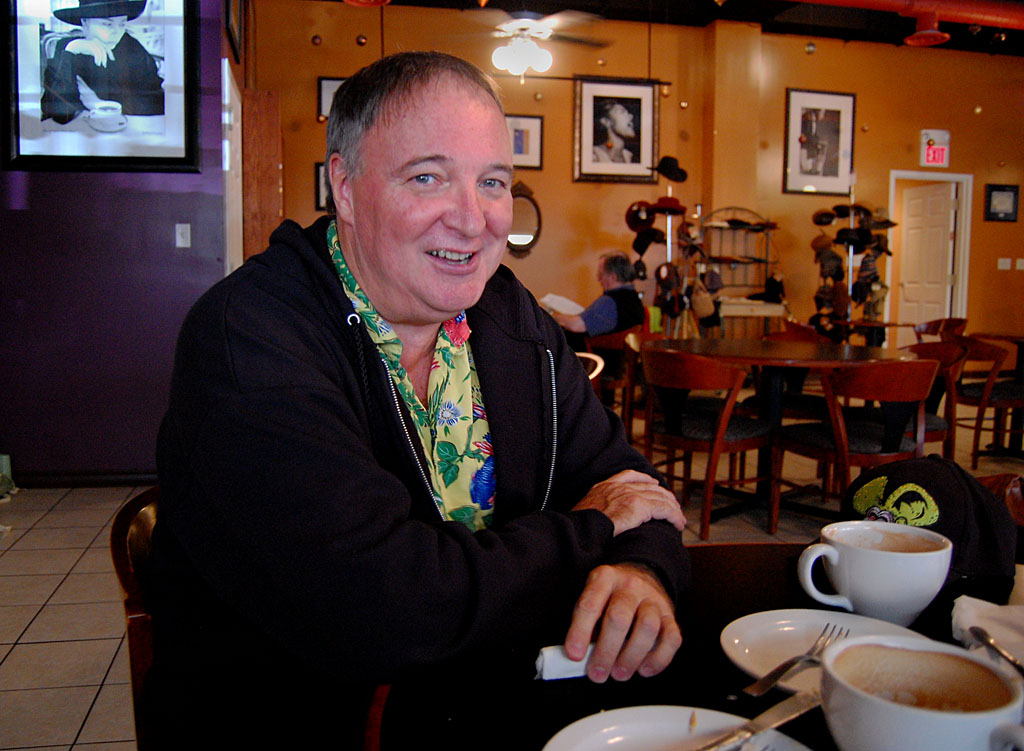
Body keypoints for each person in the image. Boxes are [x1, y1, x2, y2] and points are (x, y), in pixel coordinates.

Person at [147, 52, 688, 750]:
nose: (472, 219)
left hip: (494, 707)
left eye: (492, 182)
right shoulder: (249, 336)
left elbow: (629, 483)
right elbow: (383, 608)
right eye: (427, 177)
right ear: (345, 188)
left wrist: (640, 567)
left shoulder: (507, 313)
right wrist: (594, 531)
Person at [41, 0, 164, 125]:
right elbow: (58, 115)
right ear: (85, 22)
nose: (116, 32)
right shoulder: (67, 49)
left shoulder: (132, 48)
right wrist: (71, 52)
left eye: (122, 24)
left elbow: (158, 102)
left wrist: (98, 105)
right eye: (107, 24)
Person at [551, 252, 645, 348]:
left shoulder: (609, 302)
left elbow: (576, 326)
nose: (598, 280)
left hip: (597, 355)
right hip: (623, 356)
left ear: (613, 277)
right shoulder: (634, 298)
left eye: (601, 275)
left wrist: (555, 318)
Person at [592, 99, 637, 163]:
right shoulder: (594, 156)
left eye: (628, 112)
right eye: (622, 112)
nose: (631, 116)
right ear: (606, 122)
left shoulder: (630, 158)